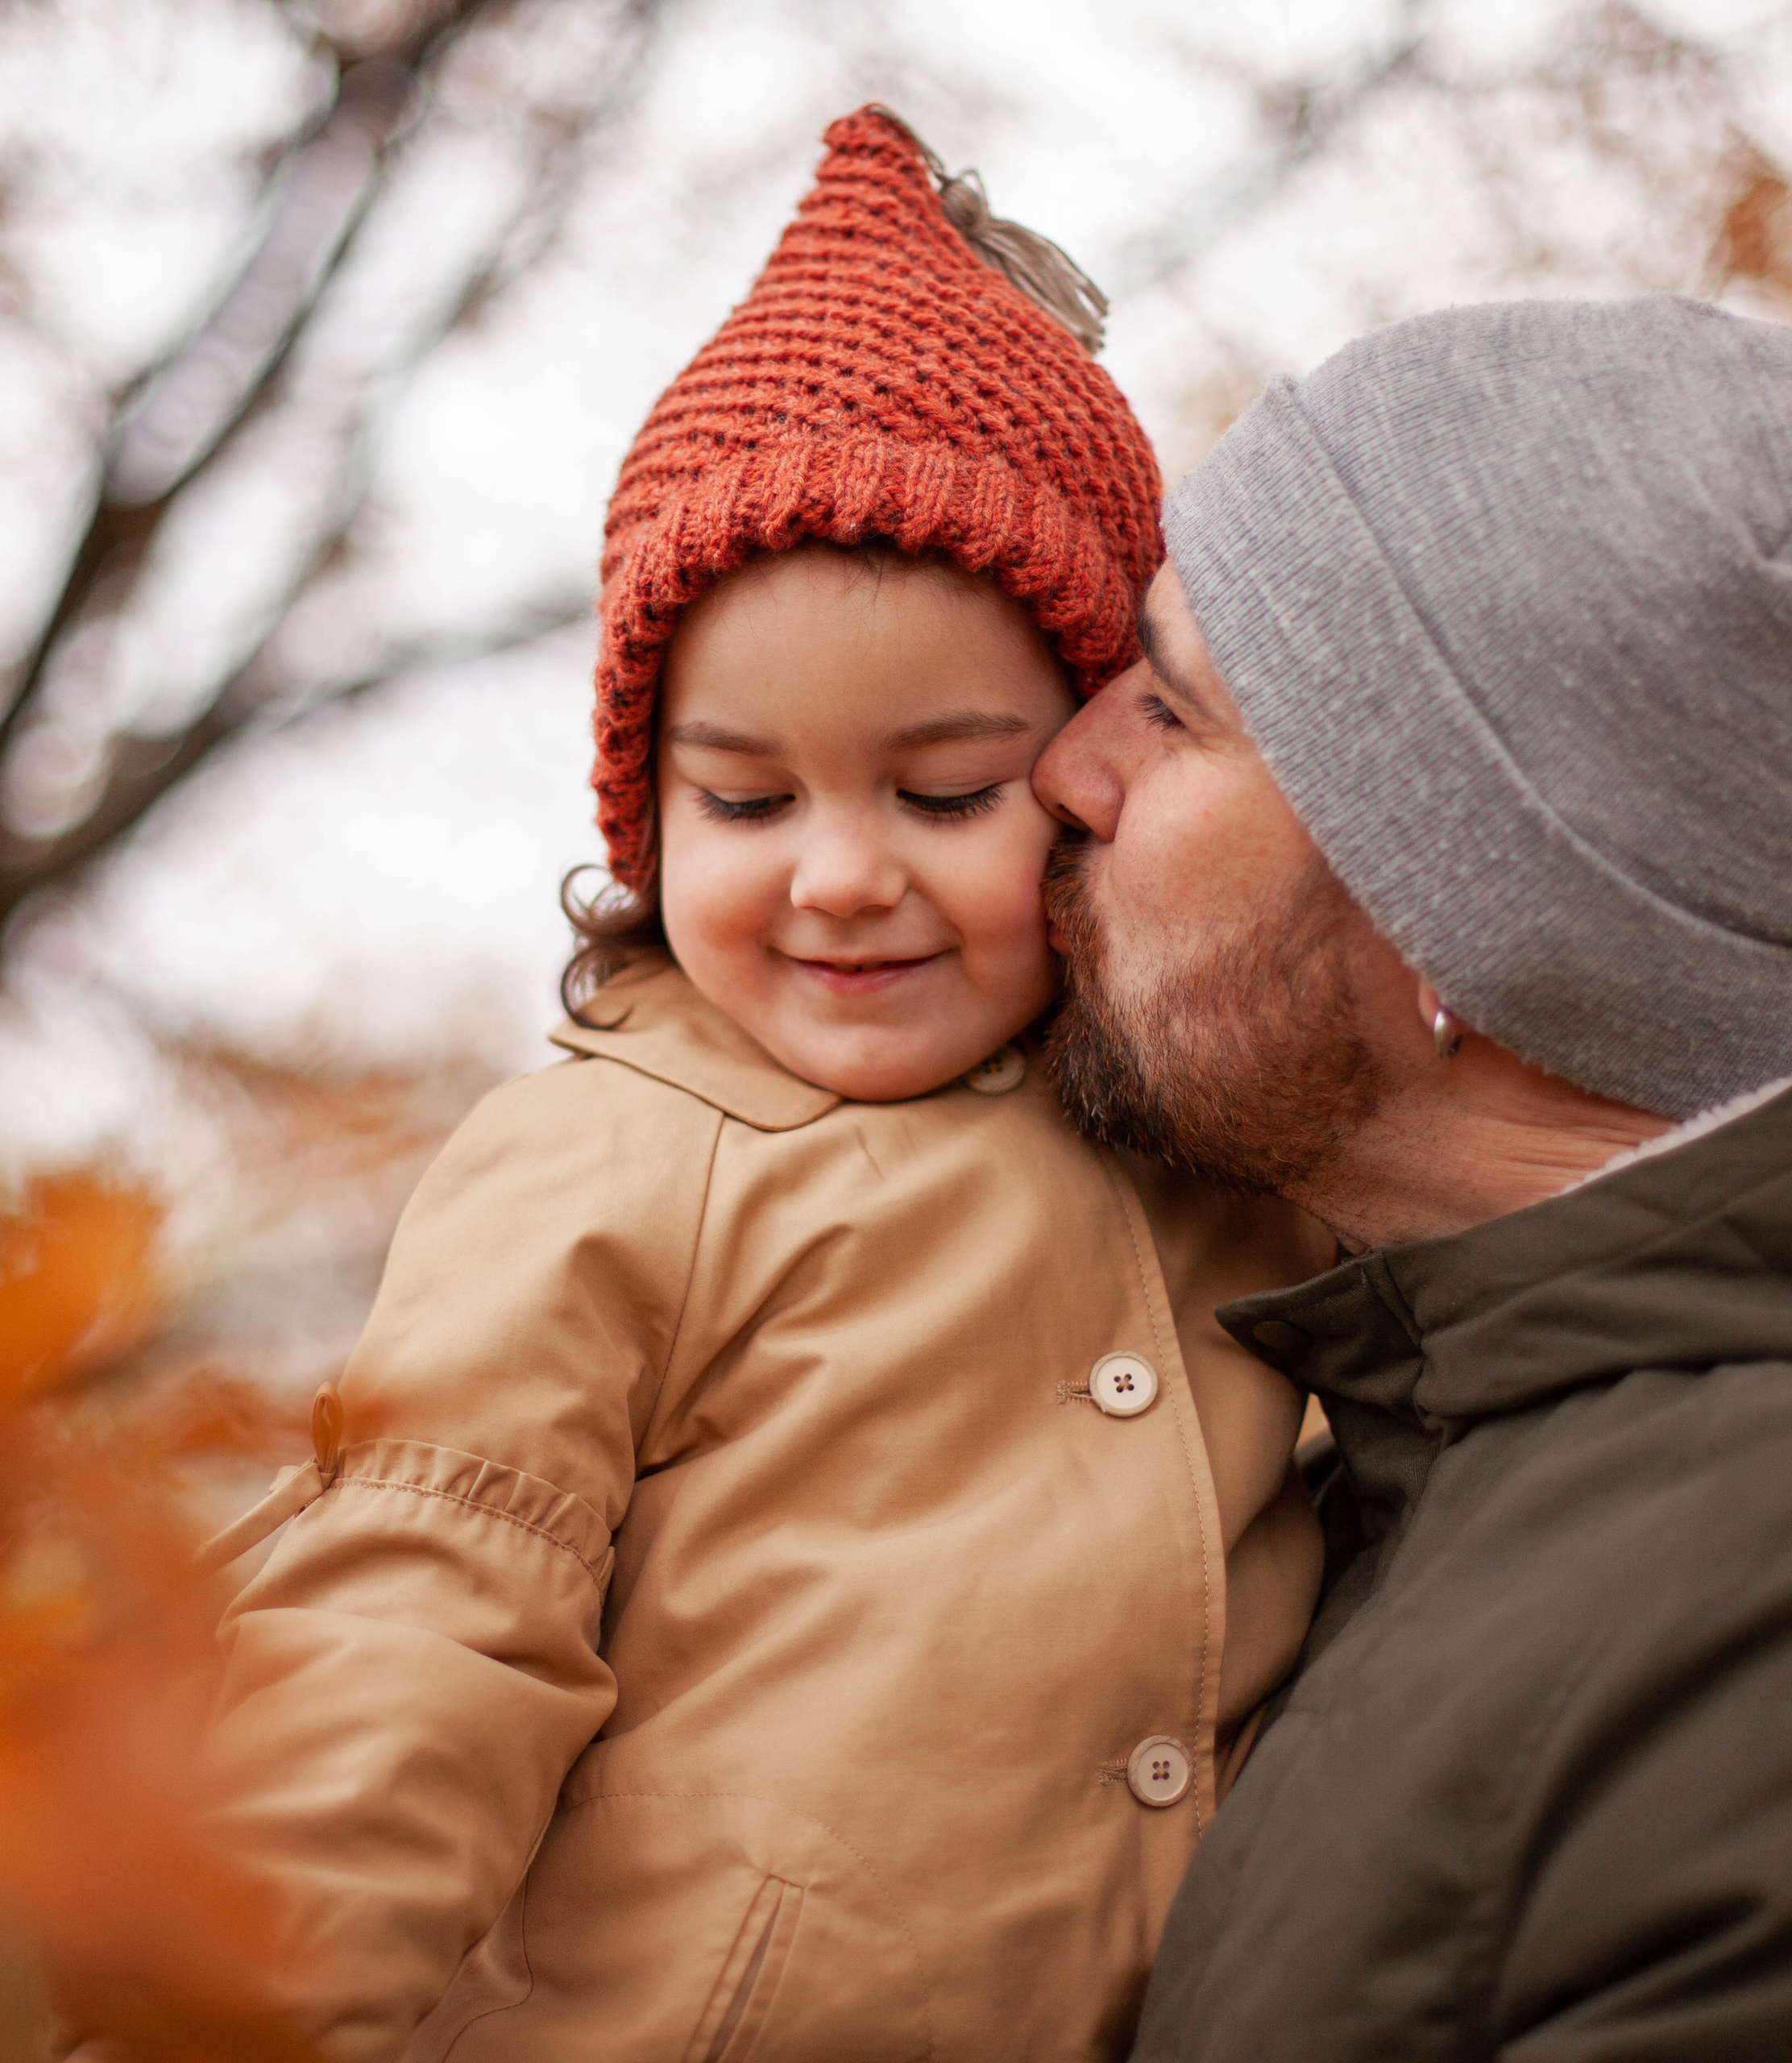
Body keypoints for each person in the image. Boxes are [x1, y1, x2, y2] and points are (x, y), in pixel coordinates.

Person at [201, 108, 1329, 2063]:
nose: (835, 874)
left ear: (1092, 773)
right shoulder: (608, 1158)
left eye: (942, 792)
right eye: (743, 799)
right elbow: (413, 1629)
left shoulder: (1220, 1140)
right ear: (646, 810)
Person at [1032, 293, 1792, 2061]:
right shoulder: (1403, 1469)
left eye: (1170, 710)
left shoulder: (1736, 1662)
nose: (1066, 766)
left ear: (1464, 923)